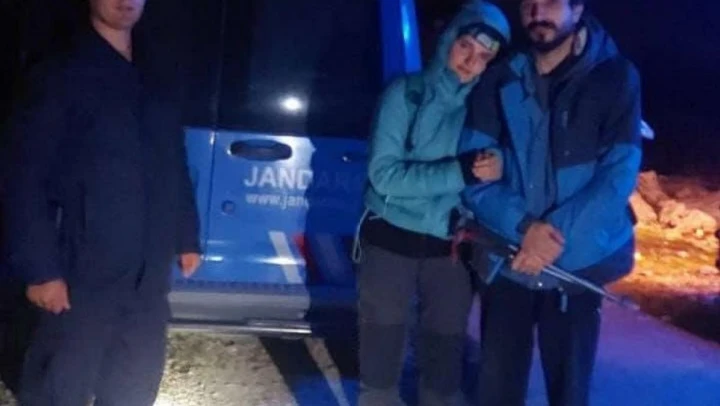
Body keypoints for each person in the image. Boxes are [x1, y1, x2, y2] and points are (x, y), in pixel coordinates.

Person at [2, 0, 201, 404]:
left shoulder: (155, 73)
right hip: (80, 275)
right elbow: (23, 175)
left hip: (146, 278)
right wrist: (40, 270)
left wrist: (186, 234)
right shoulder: (60, 72)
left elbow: (173, 161)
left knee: (133, 387)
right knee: (60, 389)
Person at [459, 0, 642, 405]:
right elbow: (474, 176)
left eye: (550, 2)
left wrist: (550, 239)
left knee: (569, 393)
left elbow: (618, 175)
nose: (537, 12)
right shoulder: (498, 77)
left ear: (577, 9)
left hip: (575, 265)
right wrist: (525, 228)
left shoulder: (614, 78)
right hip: (509, 259)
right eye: (529, 3)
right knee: (496, 393)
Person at [352, 1, 511, 405]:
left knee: (443, 363)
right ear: (449, 40)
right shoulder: (405, 93)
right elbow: (384, 175)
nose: (471, 62)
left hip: (451, 249)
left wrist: (500, 164)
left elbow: (503, 166)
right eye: (466, 47)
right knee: (380, 358)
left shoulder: (486, 109)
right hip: (389, 239)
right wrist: (460, 171)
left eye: (484, 57)